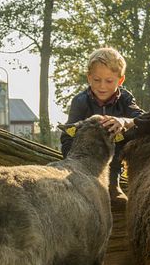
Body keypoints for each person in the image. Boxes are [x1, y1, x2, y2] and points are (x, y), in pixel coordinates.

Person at [60, 47, 143, 207]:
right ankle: (78, 181)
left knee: (125, 134)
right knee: (71, 139)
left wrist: (123, 121)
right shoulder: (80, 101)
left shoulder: (125, 98)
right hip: (85, 157)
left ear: (120, 80)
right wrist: (72, 160)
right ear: (89, 78)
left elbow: (142, 118)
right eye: (97, 80)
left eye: (109, 81)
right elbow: (68, 135)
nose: (102, 86)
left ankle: (113, 184)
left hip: (115, 151)